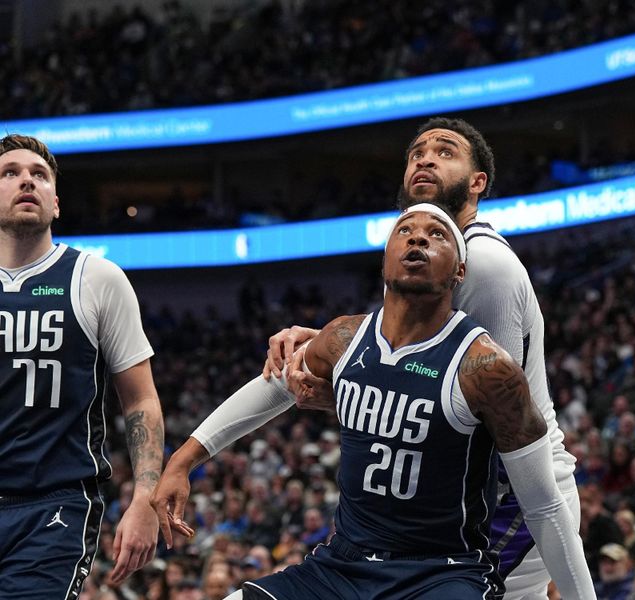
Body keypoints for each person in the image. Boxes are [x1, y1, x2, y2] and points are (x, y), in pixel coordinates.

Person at [151, 204, 595, 599]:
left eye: (437, 233)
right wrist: (182, 461)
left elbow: (545, 505)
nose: (419, 236)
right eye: (405, 229)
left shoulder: (486, 368)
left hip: (439, 573)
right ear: (385, 259)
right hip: (342, 565)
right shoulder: (346, 336)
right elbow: (274, 385)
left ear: (459, 271)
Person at [264, 116, 581, 600]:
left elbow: (479, 418)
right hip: (469, 498)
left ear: (478, 184)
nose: (426, 158)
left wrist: (345, 398)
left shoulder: (485, 264)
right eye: (416, 153)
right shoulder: (423, 259)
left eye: (446, 151)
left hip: (511, 496)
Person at [0, 134, 174, 598]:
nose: (26, 182)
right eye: (10, 173)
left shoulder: (97, 278)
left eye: (39, 175)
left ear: (56, 203)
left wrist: (145, 497)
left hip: (52, 507)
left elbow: (141, 399)